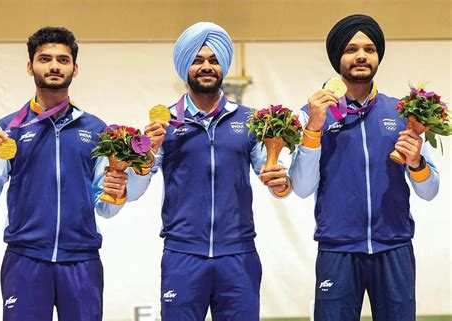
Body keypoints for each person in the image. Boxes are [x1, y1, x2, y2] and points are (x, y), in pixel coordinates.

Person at [128, 22, 290, 321]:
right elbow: (133, 192)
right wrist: (148, 151)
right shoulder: (164, 124)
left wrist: (281, 180)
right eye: (198, 60)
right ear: (185, 66)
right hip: (182, 255)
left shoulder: (250, 120)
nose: (206, 66)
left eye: (214, 60)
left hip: (238, 254)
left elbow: (274, 181)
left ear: (223, 67)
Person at [289, 14, 440, 321]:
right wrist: (315, 129)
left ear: (377, 57)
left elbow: (430, 190)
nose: (361, 55)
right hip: (338, 249)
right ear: (337, 58)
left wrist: (417, 162)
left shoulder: (402, 112)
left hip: (394, 246)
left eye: (369, 49)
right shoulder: (312, 114)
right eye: (351, 49)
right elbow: (302, 188)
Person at [0, 26, 128, 321]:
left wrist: (118, 190)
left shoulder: (98, 131)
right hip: (25, 260)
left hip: (82, 261)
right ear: (29, 66)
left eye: (63, 59)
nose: (55, 66)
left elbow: (107, 209)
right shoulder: (9, 130)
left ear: (75, 68)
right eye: (45, 59)